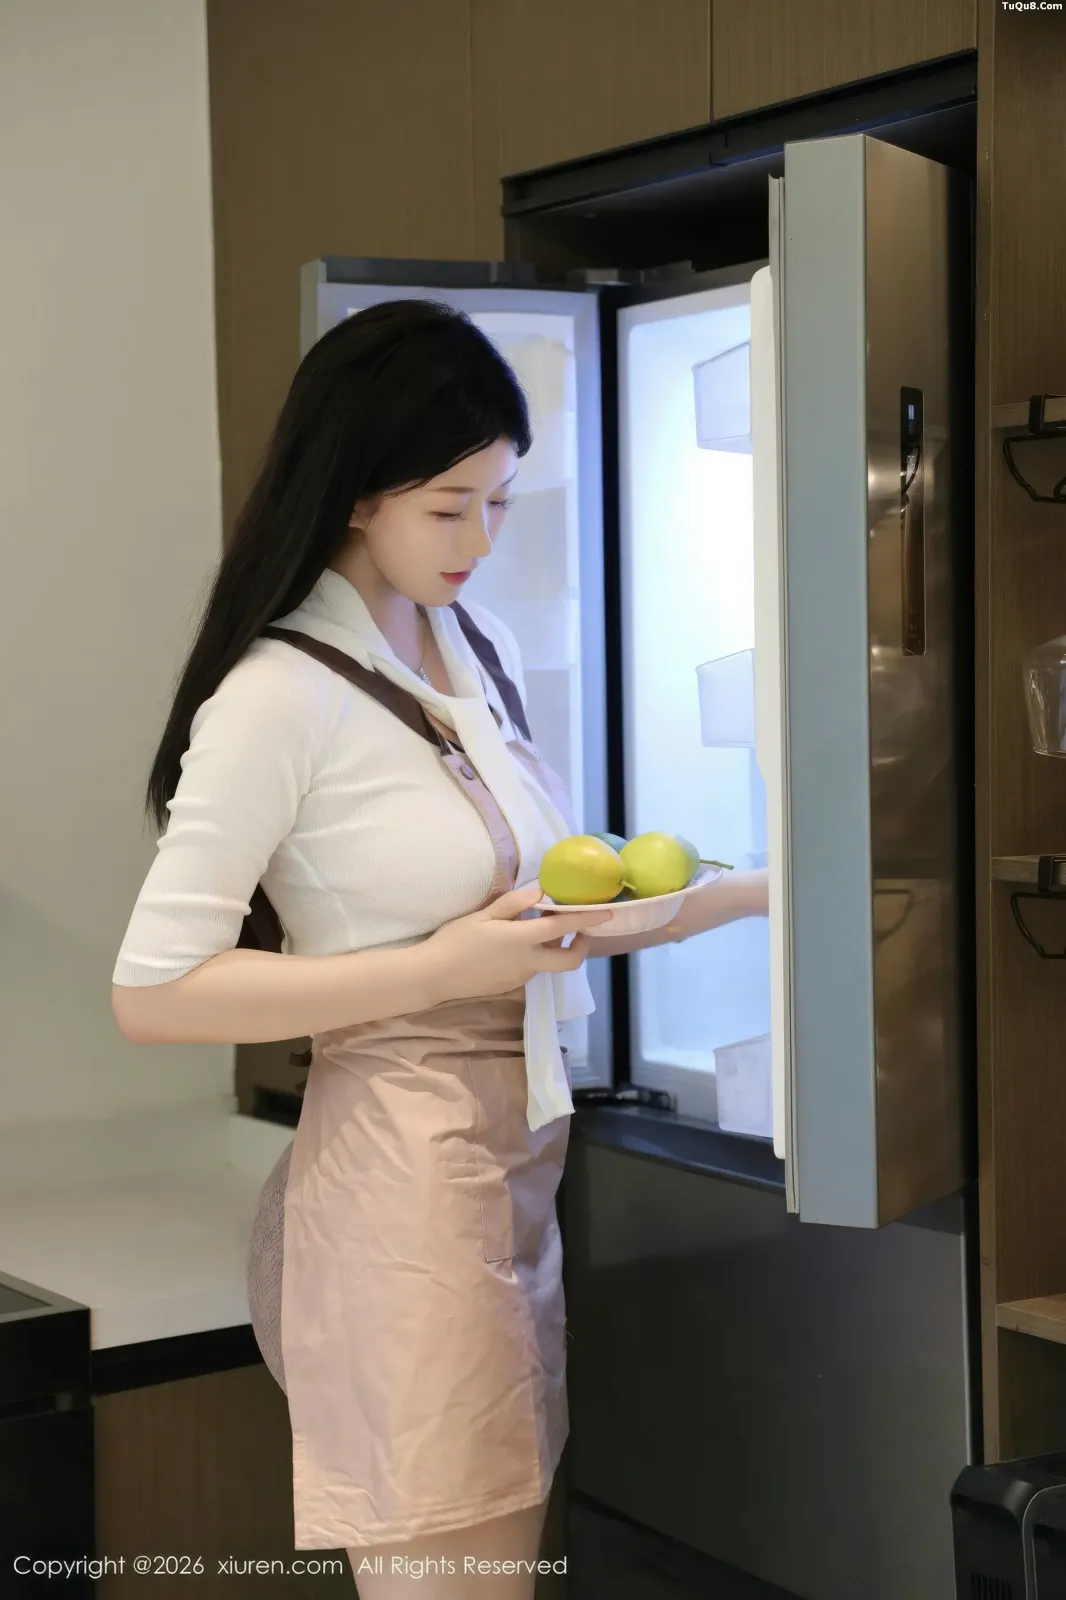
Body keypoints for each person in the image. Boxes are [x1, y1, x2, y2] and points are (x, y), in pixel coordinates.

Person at [111, 299, 769, 1598]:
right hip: (397, 1187)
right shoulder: (277, 694)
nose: (479, 541)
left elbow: (551, 916)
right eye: (448, 507)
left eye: (500, 502)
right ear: (359, 495)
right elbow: (155, 991)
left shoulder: (476, 648)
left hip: (510, 1168)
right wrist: (439, 969)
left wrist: (769, 888)